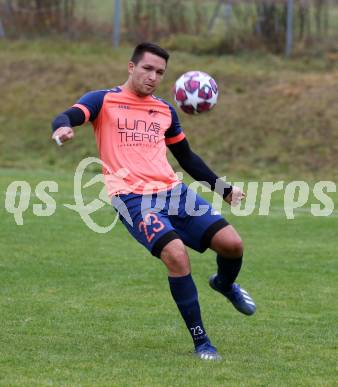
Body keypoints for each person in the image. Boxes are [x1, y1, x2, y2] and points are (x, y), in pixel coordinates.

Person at [51, 42, 256, 361]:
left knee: (233, 245)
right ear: (131, 67)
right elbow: (71, 114)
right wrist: (62, 127)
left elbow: (186, 157)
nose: (153, 76)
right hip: (131, 198)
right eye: (147, 68)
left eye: (160, 72)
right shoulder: (103, 99)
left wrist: (223, 189)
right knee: (176, 255)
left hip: (173, 192)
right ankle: (202, 342)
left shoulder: (164, 110)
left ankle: (224, 283)